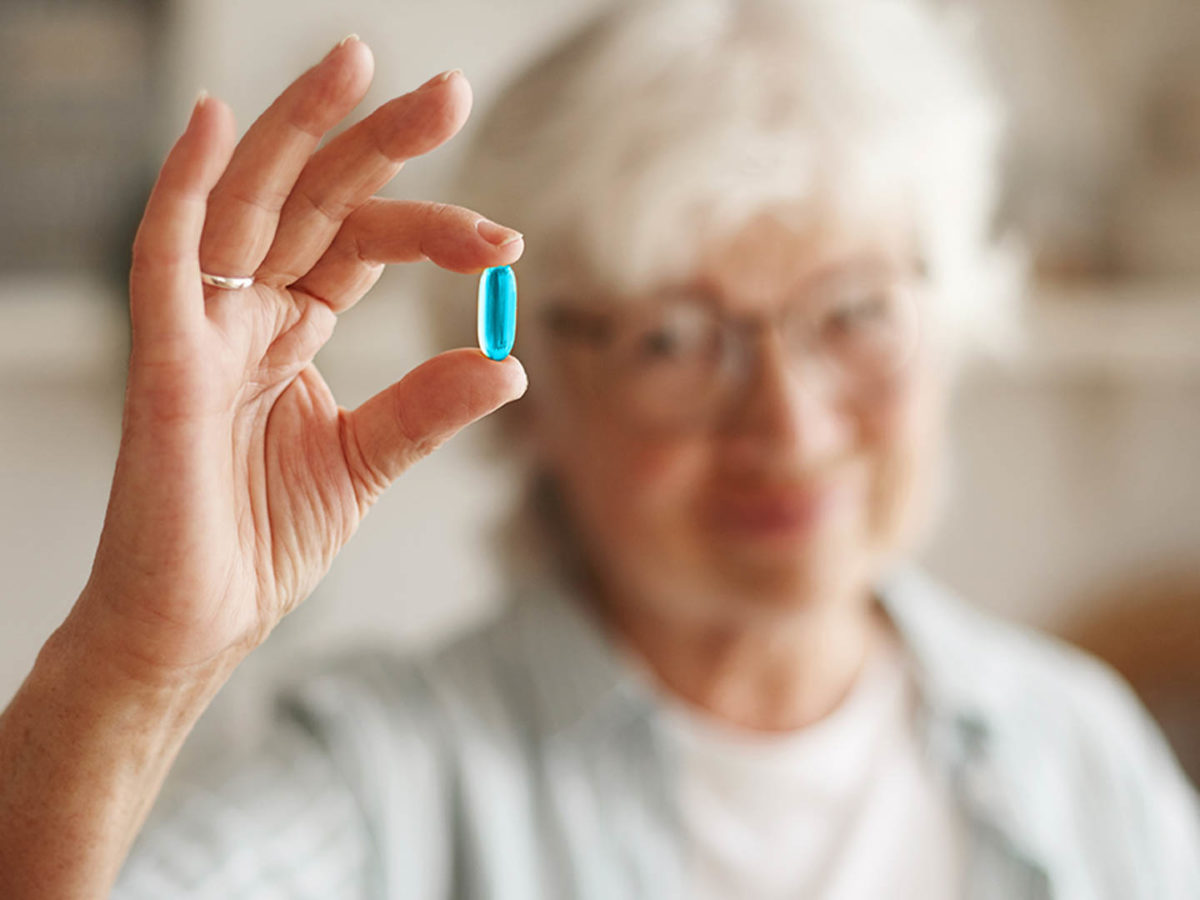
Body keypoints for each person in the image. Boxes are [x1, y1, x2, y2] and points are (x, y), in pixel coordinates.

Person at [1, 1, 1197, 898]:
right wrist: (135, 666)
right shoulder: (390, 780)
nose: (787, 423)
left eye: (853, 313)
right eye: (675, 339)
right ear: (540, 396)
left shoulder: (1076, 749)